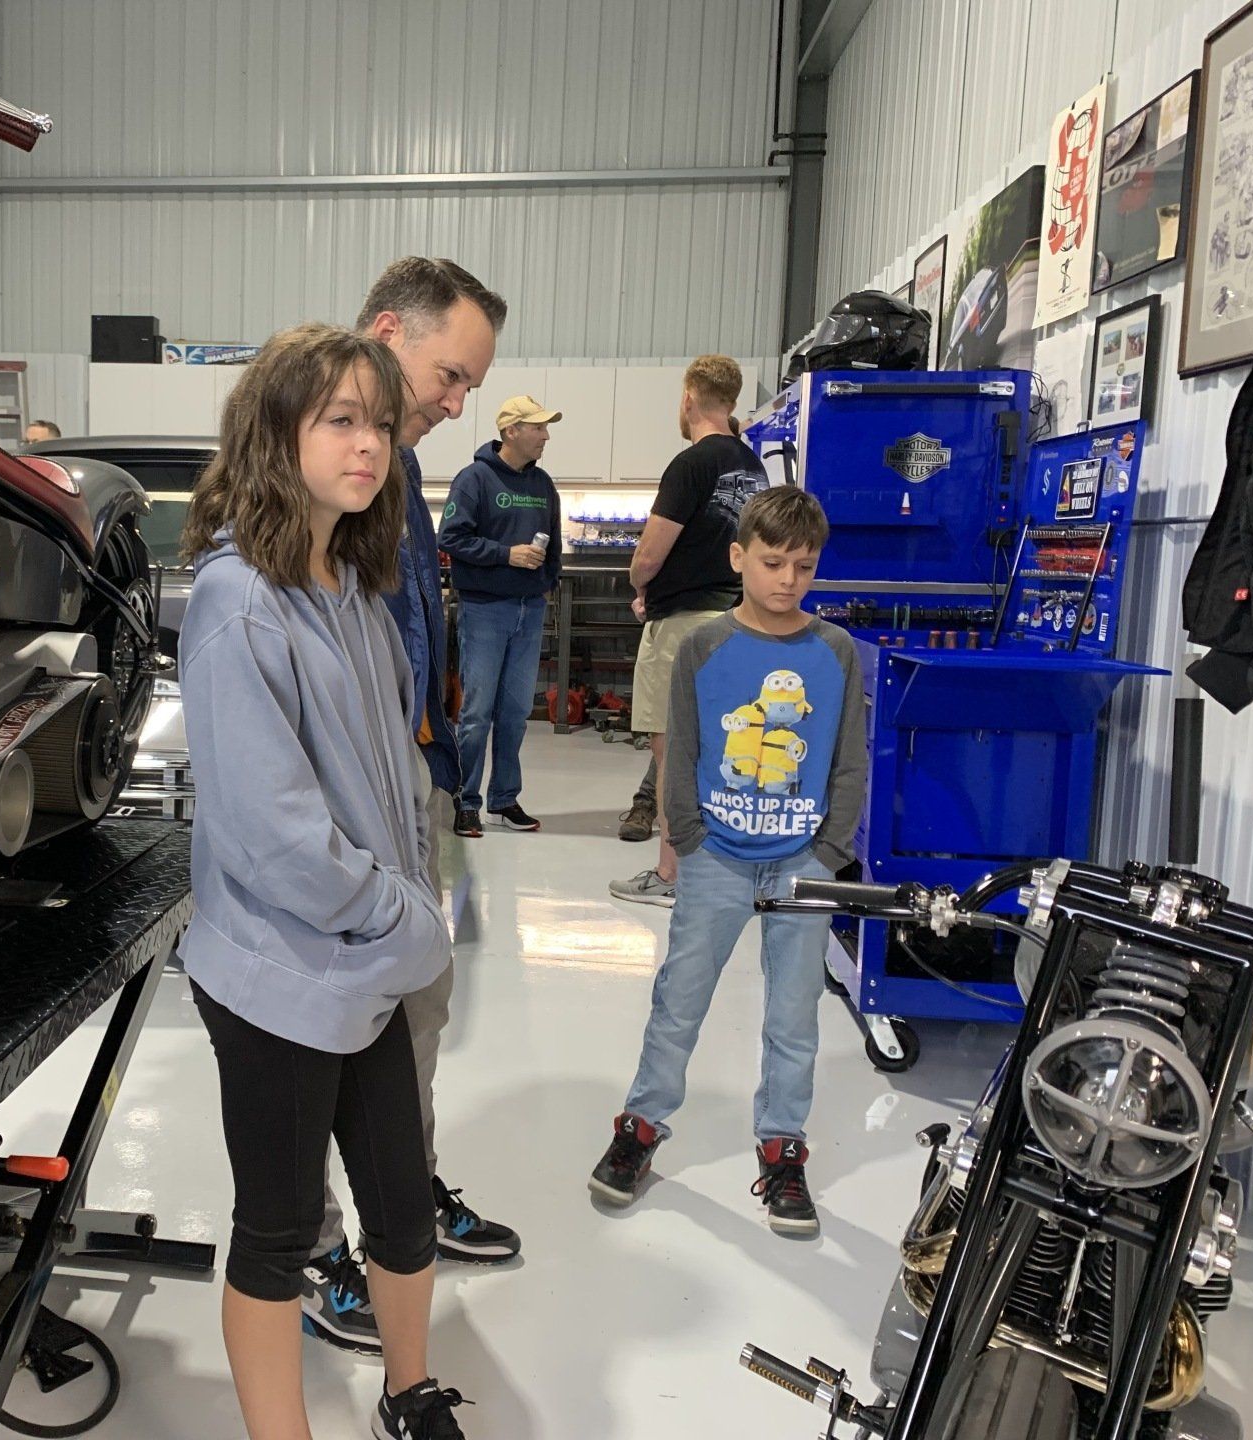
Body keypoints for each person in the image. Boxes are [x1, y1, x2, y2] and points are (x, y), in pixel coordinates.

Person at [177, 323, 469, 1439]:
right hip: (277, 974)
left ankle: (409, 1387)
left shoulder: (353, 590)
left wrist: (404, 916)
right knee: (281, 1225)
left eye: (380, 425)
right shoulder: (238, 601)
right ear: (277, 433)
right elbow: (274, 838)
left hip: (365, 966)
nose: (370, 445)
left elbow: (389, 783)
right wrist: (409, 921)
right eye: (340, 421)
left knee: (400, 1208)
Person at [296, 259, 522, 1361]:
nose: (457, 399)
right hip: (340, 816)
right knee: (315, 1033)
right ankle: (312, 1244)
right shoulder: (318, 472)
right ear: (386, 331)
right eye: (450, 373)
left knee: (413, 1017)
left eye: (469, 384)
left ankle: (402, 1197)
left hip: (410, 788)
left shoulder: (402, 471)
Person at [589, 487, 868, 1240]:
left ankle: (782, 1149)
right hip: (718, 857)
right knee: (680, 1001)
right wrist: (690, 835)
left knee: (793, 1016)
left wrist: (831, 849)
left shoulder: (835, 652)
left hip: (800, 862)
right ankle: (640, 1129)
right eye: (772, 562)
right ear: (739, 557)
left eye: (803, 566)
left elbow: (848, 759)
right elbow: (680, 748)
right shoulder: (704, 646)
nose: (787, 580)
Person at [611, 356, 769, 904]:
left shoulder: (692, 464)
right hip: (735, 621)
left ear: (688, 399)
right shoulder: (754, 467)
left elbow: (649, 554)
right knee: (725, 749)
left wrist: (641, 584)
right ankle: (719, 874)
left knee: (673, 752)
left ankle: (671, 876)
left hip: (682, 630)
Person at [439, 396, 564, 836]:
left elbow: (555, 545)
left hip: (530, 611)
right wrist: (506, 555)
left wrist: (546, 582)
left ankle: (504, 798)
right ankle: (465, 799)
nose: (546, 435)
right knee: (476, 713)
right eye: (538, 428)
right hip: (485, 610)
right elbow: (451, 537)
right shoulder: (474, 480)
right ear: (511, 431)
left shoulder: (543, 483)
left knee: (514, 713)